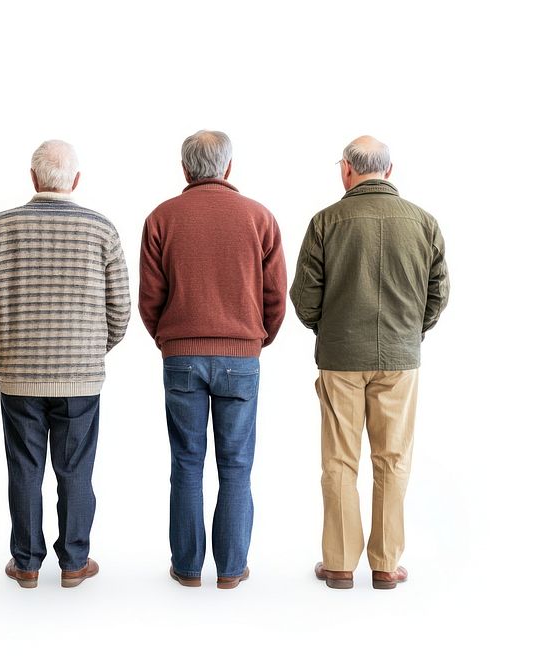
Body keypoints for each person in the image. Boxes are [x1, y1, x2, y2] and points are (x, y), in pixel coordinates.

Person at [291, 136, 449, 590]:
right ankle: (385, 565)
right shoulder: (424, 222)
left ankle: (339, 565)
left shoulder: (326, 222)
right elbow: (438, 294)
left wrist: (329, 328)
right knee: (393, 459)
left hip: (340, 356)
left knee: (339, 461)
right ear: (390, 170)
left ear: (346, 171)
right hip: (400, 357)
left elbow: (304, 298)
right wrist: (410, 333)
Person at [0, 140, 130, 589]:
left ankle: (25, 563)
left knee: (24, 468)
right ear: (75, 180)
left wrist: (6, 351)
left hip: (19, 373)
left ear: (32, 177)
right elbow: (119, 308)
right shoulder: (102, 230)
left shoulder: (1, 227)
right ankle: (74, 562)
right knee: (76, 469)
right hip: (80, 375)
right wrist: (92, 352)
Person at [139, 130, 287, 589]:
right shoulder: (259, 217)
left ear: (186, 169)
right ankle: (230, 569)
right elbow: (275, 296)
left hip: (180, 356)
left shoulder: (162, 218)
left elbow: (149, 298)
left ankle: (186, 569)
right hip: (240, 356)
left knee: (186, 462)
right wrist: (255, 342)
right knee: (237, 465)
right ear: (227, 167)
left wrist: (169, 341)